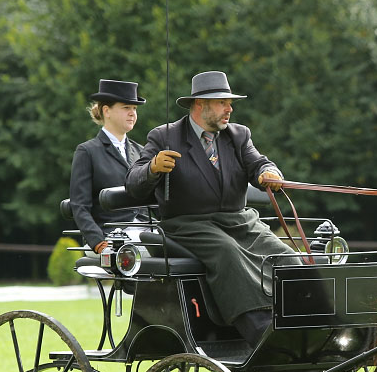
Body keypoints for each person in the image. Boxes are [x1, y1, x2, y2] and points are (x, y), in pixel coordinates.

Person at [125, 70, 297, 345]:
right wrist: (153, 168)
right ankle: (263, 333)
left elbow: (259, 163)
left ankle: (305, 320)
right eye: (222, 102)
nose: (229, 108)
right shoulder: (165, 136)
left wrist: (269, 172)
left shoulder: (238, 135)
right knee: (227, 253)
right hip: (188, 225)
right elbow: (134, 182)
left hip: (239, 223)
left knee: (286, 256)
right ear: (199, 105)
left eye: (230, 103)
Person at [69, 80, 147, 253]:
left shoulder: (141, 151)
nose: (132, 114)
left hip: (144, 231)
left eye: (135, 109)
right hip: (108, 235)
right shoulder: (87, 151)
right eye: (127, 107)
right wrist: (98, 243)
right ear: (107, 111)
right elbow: (79, 206)